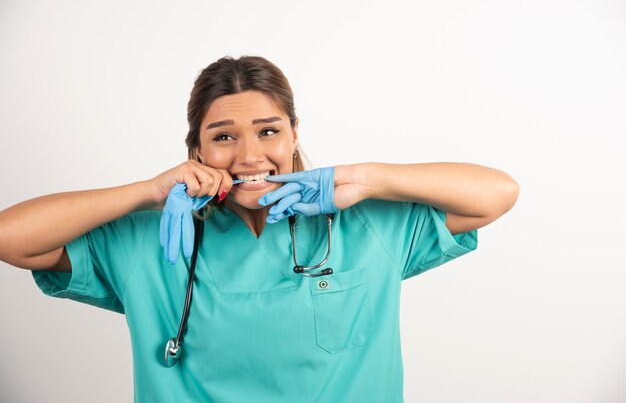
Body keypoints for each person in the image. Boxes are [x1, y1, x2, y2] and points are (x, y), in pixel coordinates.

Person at [0, 55, 519, 402]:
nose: (249, 156)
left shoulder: (363, 223)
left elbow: (498, 193)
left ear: (294, 134)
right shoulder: (151, 237)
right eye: (223, 136)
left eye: (268, 131)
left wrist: (362, 179)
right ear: (197, 149)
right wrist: (148, 192)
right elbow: (11, 237)